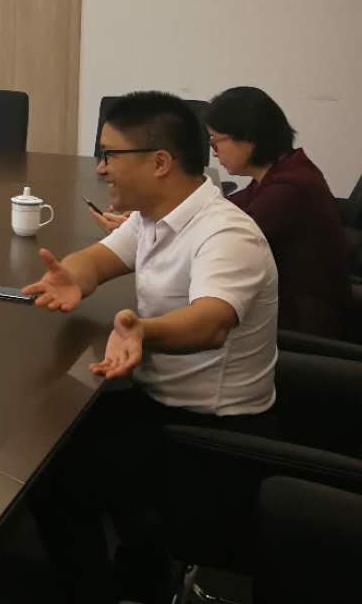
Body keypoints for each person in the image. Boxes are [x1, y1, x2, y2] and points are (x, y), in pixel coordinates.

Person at [21, 91, 278, 603]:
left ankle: (100, 590)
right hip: (162, 404)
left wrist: (144, 330)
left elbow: (211, 322)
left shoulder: (226, 233)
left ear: (160, 162)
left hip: (211, 435)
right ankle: (141, 569)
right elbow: (98, 259)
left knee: (52, 475)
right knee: (48, 435)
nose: (100, 168)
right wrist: (73, 275)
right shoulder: (153, 216)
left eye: (110, 155)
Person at [204, 86, 349, 338]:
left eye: (215, 141)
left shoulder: (290, 188)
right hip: (283, 309)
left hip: (300, 328)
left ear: (248, 138)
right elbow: (228, 207)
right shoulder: (285, 170)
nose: (214, 152)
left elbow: (225, 237)